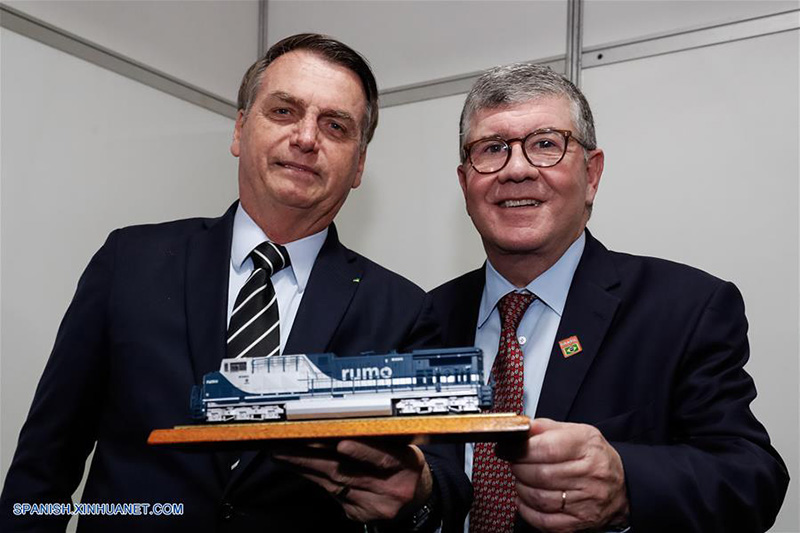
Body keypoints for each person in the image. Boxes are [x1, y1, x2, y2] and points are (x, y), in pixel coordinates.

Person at [1, 34, 469, 533]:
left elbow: (444, 484)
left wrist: (419, 490)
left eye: (335, 125)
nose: (306, 138)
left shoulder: (402, 310)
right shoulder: (129, 262)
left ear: (358, 165)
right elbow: (43, 468)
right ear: (240, 129)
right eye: (284, 112)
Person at [426, 62, 789, 533]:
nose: (516, 169)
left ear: (592, 174)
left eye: (545, 144)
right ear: (464, 183)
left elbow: (753, 480)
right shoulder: (426, 318)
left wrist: (624, 483)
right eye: (492, 148)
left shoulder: (685, 308)